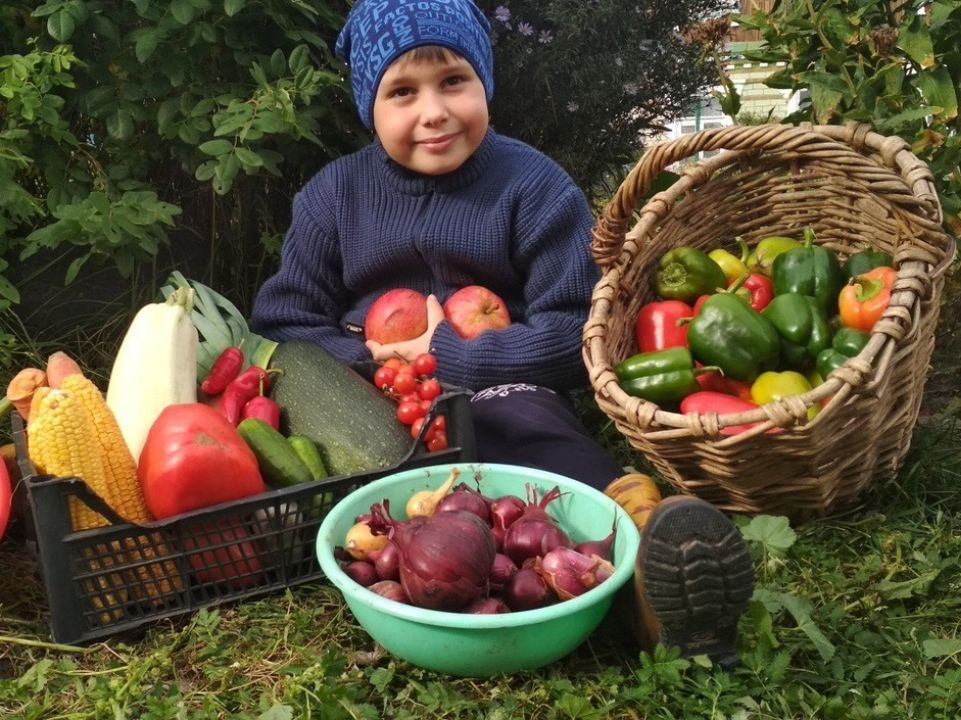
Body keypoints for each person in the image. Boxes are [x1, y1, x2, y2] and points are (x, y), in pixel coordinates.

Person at [249, 0, 753, 665]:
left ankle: (637, 541)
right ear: (368, 105)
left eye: (453, 81)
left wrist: (453, 353)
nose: (433, 111)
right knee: (394, 490)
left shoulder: (532, 187)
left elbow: (578, 327)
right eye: (402, 92)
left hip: (503, 383)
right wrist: (370, 358)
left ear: (484, 81)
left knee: (533, 436)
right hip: (378, 399)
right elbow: (282, 322)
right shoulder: (334, 197)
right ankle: (458, 579)